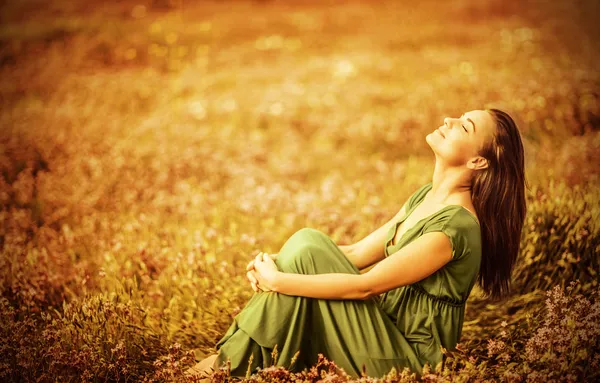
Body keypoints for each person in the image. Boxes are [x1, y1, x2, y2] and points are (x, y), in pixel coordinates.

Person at [187, 108, 528, 379]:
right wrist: (273, 261)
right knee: (309, 244)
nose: (449, 120)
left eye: (464, 126)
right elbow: (354, 254)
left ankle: (221, 366)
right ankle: (230, 365)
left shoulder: (456, 227)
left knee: (304, 255)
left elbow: (365, 287)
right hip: (380, 329)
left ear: (478, 161)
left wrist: (277, 281)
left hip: (405, 360)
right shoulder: (427, 198)